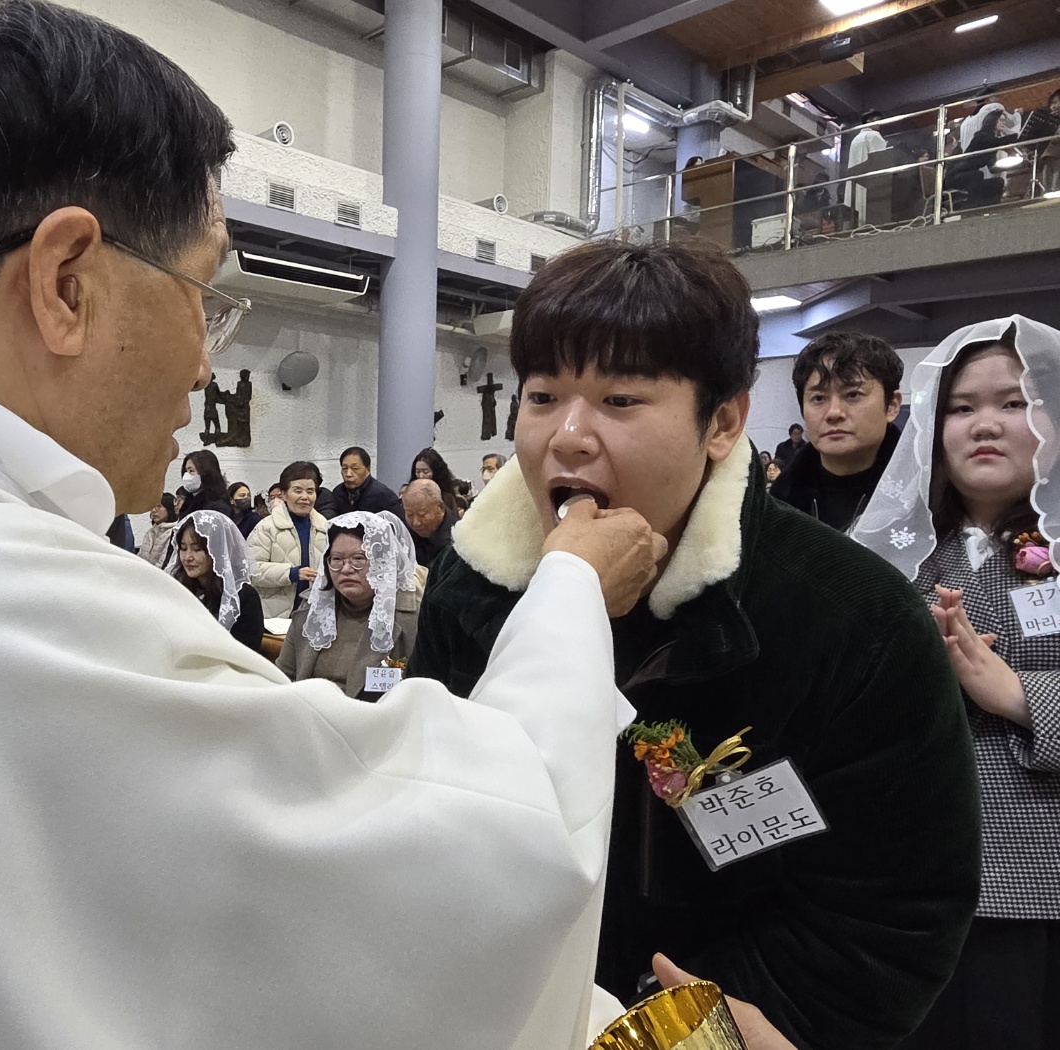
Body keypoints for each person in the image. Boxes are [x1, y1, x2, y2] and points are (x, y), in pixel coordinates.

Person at [0, 3, 670, 1048]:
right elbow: (479, 858)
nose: (203, 360)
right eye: (205, 288)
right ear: (64, 283)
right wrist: (570, 597)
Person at [405, 238, 980, 1050]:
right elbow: (424, 820)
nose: (567, 435)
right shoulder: (473, 589)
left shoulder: (853, 617)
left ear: (723, 422)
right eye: (542, 396)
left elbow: (888, 913)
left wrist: (660, 1031)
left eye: (620, 400)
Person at [854, 316, 1060, 1050]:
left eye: (1014, 402)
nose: (985, 425)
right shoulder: (898, 557)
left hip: (1040, 885)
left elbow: (1007, 690)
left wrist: (1014, 694)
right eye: (962, 407)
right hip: (913, 883)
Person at [276, 512, 420, 699]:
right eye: (336, 559)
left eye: (358, 559)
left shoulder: (411, 620)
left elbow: (419, 697)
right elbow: (282, 678)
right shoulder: (310, 610)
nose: (345, 569)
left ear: (382, 563)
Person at [770, 331, 903, 531]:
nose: (834, 413)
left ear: (892, 406)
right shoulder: (778, 504)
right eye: (819, 398)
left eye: (852, 394)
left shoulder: (931, 495)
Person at [168, 509, 264, 654]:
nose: (187, 557)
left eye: (197, 549)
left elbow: (246, 653)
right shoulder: (179, 587)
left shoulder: (243, 597)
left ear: (218, 551)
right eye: (183, 548)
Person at [247, 459, 329, 618]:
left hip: (315, 614)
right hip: (274, 616)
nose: (305, 497)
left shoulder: (325, 527)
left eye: (310, 491)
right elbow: (251, 570)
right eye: (297, 491)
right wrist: (291, 573)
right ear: (283, 494)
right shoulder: (266, 527)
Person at [946, 106, 1020, 209]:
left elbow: (993, 168)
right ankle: (973, 207)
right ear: (993, 121)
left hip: (968, 175)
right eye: (1001, 120)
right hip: (956, 174)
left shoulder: (991, 144)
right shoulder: (982, 136)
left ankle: (991, 208)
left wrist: (1013, 164)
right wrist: (1016, 136)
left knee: (997, 182)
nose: (1003, 123)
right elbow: (996, 142)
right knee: (978, 175)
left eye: (1004, 120)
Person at [334, 445, 403, 517]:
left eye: (355, 468)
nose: (348, 474)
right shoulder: (338, 492)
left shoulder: (382, 494)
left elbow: (399, 523)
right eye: (344, 468)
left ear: (368, 470)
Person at [403, 478, 456, 568]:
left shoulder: (457, 539)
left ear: (441, 508)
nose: (416, 523)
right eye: (410, 515)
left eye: (422, 515)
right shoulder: (404, 534)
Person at [179, 448, 230, 518]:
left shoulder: (217, 508)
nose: (186, 476)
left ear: (206, 473)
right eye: (186, 471)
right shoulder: (189, 502)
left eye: (191, 471)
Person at [409, 447, 458, 513]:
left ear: (436, 472)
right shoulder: (410, 495)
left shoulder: (447, 498)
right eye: (418, 472)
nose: (421, 476)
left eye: (425, 472)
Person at [137, 491, 179, 568]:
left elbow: (163, 563)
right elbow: (140, 558)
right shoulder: (150, 533)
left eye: (159, 506)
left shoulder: (173, 533)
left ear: (169, 509)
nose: (153, 510)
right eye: (153, 506)